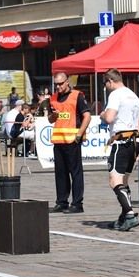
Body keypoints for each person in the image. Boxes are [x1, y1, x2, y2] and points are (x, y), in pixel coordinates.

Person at [101, 69, 139, 231]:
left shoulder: (115, 95)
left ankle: (130, 214)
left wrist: (103, 114)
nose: (106, 87)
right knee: (124, 181)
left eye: (106, 84)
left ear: (110, 81)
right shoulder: (133, 95)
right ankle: (124, 217)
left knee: (114, 181)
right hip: (134, 141)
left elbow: (110, 117)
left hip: (121, 141)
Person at [48, 71, 91, 214]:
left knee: (75, 172)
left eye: (61, 84)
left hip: (73, 140)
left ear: (67, 82)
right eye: (56, 85)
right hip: (58, 140)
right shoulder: (53, 98)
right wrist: (52, 116)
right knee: (60, 173)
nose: (58, 87)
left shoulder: (77, 96)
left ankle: (77, 204)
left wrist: (79, 134)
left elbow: (87, 116)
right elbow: (51, 119)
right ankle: (61, 202)